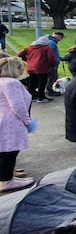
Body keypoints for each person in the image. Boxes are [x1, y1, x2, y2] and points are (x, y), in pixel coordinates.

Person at [0, 57, 36, 192]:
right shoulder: (11, 83)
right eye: (21, 67)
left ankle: (7, 177)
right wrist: (27, 121)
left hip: (3, 119)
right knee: (9, 152)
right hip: (10, 122)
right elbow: (18, 105)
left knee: (4, 151)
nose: (23, 70)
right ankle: (6, 181)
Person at [18, 36, 57, 102]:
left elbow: (20, 54)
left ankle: (32, 95)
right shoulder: (46, 48)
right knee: (42, 82)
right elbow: (51, 57)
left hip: (30, 67)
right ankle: (41, 97)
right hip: (42, 67)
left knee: (32, 81)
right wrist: (52, 64)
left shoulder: (29, 48)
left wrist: (27, 59)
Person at [46, 31, 64, 96]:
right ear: (59, 37)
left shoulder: (49, 41)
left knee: (51, 76)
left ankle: (48, 89)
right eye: (61, 38)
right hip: (52, 63)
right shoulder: (52, 43)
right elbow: (50, 53)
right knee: (53, 77)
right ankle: (50, 90)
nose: (61, 39)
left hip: (52, 61)